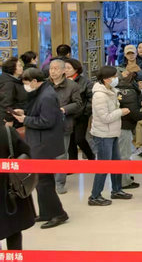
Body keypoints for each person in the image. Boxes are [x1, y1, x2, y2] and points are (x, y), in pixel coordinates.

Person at [11, 68, 69, 229]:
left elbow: (47, 121)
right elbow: (38, 112)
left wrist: (25, 119)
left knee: (44, 182)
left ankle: (58, 213)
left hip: (44, 144)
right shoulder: (42, 92)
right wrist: (25, 112)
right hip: (39, 142)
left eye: (27, 83)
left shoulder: (47, 96)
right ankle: (46, 212)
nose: (26, 87)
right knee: (41, 181)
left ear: (35, 81)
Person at [88, 66, 133, 206]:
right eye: (114, 76)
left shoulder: (112, 91)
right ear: (107, 79)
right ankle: (95, 195)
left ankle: (117, 189)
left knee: (116, 163)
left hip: (112, 132)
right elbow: (105, 117)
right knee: (104, 166)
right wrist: (121, 112)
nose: (116, 78)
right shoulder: (99, 95)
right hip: (103, 135)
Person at [47, 59, 83, 195]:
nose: (53, 71)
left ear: (63, 71)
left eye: (56, 68)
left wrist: (64, 109)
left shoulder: (72, 85)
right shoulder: (45, 84)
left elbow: (78, 104)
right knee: (47, 154)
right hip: (46, 125)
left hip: (63, 124)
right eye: (51, 68)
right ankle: (48, 181)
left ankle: (60, 183)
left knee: (61, 155)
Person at [1, 122, 36, 250]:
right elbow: (26, 155)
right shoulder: (8, 132)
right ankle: (14, 257)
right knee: (13, 230)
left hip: (9, 191)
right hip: (10, 191)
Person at [115, 68, 142, 188]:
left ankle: (125, 178)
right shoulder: (130, 91)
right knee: (124, 154)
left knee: (122, 153)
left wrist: (140, 104)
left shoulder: (125, 88)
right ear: (140, 82)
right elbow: (133, 113)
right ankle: (124, 182)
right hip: (124, 126)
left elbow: (127, 104)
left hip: (120, 125)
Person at [63, 58, 96, 161]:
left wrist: (85, 112)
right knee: (70, 141)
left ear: (76, 69)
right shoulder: (62, 81)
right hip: (67, 115)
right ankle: (73, 163)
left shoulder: (84, 81)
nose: (66, 70)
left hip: (81, 115)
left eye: (68, 68)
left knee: (79, 139)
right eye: (64, 68)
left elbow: (91, 98)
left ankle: (91, 156)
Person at [0, 57, 26, 127]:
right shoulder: (8, 83)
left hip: (16, 115)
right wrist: (9, 119)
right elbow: (6, 103)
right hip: (11, 119)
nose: (22, 67)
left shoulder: (15, 80)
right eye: (19, 66)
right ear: (12, 68)